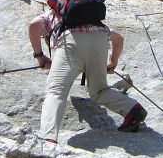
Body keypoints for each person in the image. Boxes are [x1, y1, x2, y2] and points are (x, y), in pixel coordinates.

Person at [28, 9, 147, 146]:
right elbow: (118, 38)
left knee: (56, 91)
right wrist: (112, 61)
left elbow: (34, 25)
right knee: (99, 90)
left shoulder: (52, 15)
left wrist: (40, 56)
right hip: (100, 38)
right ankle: (133, 109)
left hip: (70, 39)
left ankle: (48, 139)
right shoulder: (90, 17)